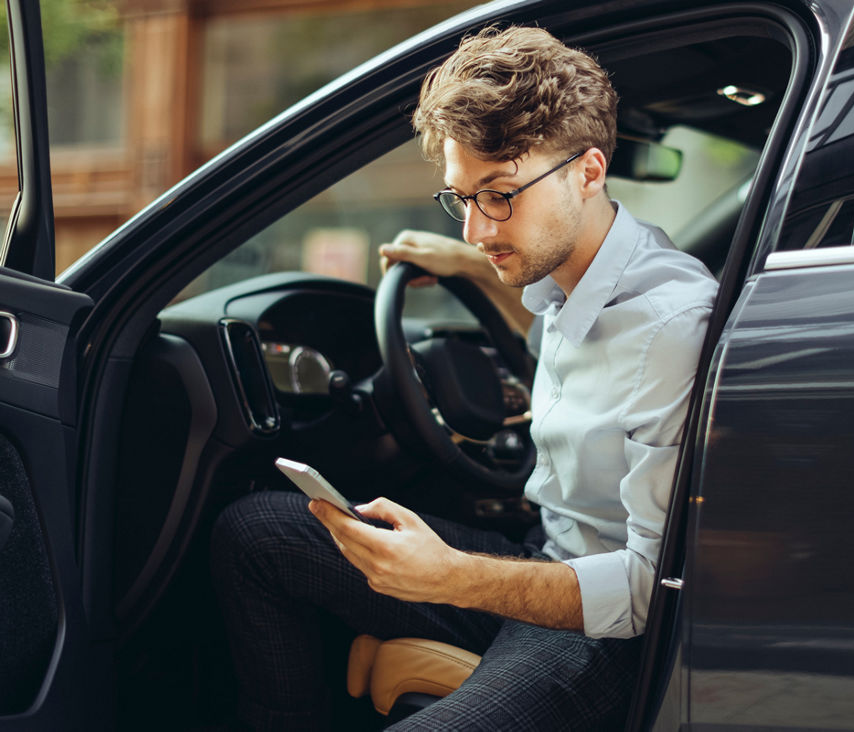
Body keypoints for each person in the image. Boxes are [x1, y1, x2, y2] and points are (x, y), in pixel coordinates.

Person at [210, 25, 717, 731]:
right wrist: (475, 267)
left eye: (500, 195)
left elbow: (652, 590)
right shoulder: (571, 279)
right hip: (543, 557)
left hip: (608, 634)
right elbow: (558, 340)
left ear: (589, 171)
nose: (478, 228)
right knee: (256, 535)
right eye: (461, 197)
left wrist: (449, 574)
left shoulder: (672, 327)